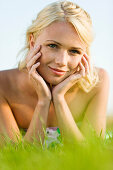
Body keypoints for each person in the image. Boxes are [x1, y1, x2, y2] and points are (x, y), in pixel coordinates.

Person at [0, 1, 110, 146]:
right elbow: (15, 159)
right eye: (53, 46)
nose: (62, 61)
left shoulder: (98, 83)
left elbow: (91, 154)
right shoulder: (4, 85)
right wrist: (43, 101)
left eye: (74, 51)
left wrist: (59, 99)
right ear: (32, 42)